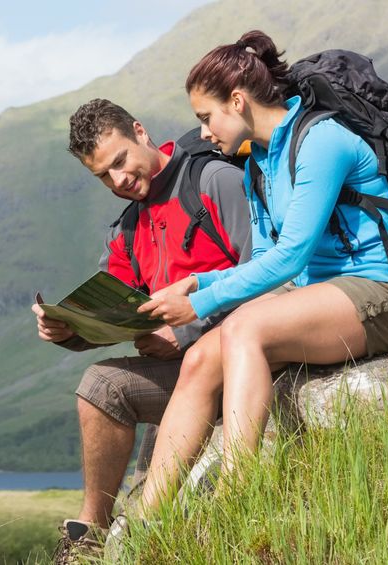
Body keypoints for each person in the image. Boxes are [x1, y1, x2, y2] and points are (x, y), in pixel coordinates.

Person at [136, 30, 388, 512]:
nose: (203, 133)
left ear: (238, 101)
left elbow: (291, 256)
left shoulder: (321, 142)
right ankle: (148, 519)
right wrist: (199, 282)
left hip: (377, 291)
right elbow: (264, 262)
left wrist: (199, 304)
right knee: (200, 359)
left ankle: (236, 497)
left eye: (206, 117)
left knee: (243, 327)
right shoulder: (259, 164)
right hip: (315, 293)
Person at [33, 98, 250, 560]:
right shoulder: (126, 230)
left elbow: (272, 273)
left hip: (244, 360)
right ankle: (90, 537)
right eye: (102, 176)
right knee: (101, 387)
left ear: (140, 131)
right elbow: (106, 309)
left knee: (104, 383)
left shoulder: (215, 182)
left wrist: (188, 332)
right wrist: (68, 330)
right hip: (183, 374)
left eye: (120, 161)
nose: (118, 181)